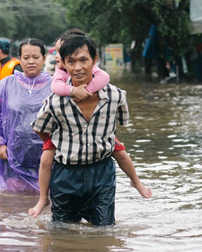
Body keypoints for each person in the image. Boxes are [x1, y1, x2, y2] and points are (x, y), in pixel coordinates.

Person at [29, 31, 152, 218]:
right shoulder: (56, 101)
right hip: (66, 175)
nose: (78, 68)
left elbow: (115, 128)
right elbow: (40, 128)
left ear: (94, 60)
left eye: (83, 60)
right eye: (71, 62)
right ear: (63, 64)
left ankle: (135, 181)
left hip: (102, 173)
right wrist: (60, 142)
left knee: (103, 231)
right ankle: (43, 199)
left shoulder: (116, 96)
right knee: (63, 233)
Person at [0, 38, 52, 192]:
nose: (31, 62)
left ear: (44, 59)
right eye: (26, 58)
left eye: (36, 57)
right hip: (13, 157)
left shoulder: (55, 86)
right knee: (13, 204)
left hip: (47, 157)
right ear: (19, 60)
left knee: (45, 202)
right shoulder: (6, 85)